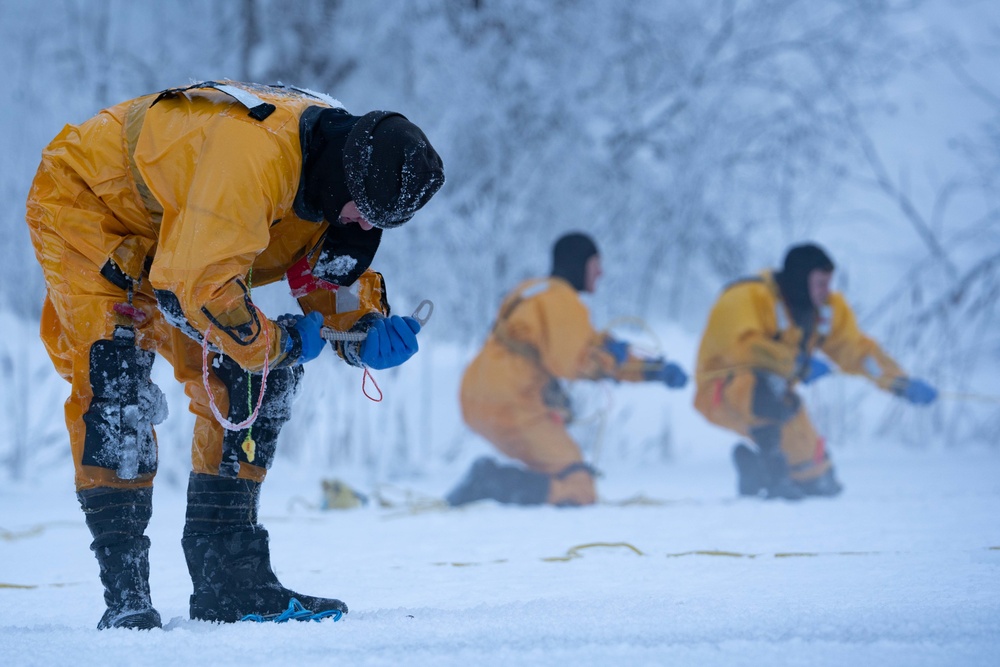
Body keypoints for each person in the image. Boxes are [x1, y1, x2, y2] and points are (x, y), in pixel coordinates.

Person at [25, 80, 444, 629]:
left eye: (378, 222)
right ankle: (126, 598)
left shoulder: (342, 164)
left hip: (189, 232)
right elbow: (197, 286)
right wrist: (281, 342)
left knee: (249, 380)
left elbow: (318, 265)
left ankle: (231, 581)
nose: (365, 227)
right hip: (94, 207)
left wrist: (359, 326)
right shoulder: (255, 157)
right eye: (365, 213)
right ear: (347, 180)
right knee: (118, 381)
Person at [446, 232, 689, 508]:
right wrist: (611, 360)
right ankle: (490, 480)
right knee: (578, 487)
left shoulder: (532, 290)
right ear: (579, 263)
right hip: (511, 402)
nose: (601, 272)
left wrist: (650, 369)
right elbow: (575, 362)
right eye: (596, 264)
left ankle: (495, 481)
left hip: (475, 395)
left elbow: (585, 344)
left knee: (553, 472)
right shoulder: (563, 301)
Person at [693, 242, 938, 500]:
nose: (826, 291)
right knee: (761, 385)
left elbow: (854, 350)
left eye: (828, 283)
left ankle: (756, 471)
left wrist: (898, 382)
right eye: (820, 283)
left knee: (815, 479)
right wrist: (796, 364)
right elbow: (743, 349)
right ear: (800, 280)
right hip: (721, 392)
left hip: (778, 398)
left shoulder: (826, 310)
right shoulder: (745, 296)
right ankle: (774, 472)